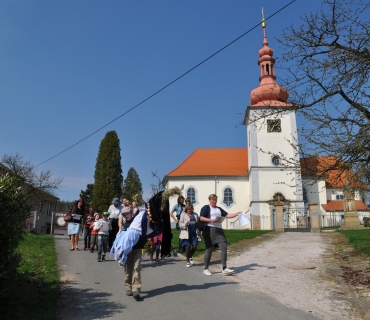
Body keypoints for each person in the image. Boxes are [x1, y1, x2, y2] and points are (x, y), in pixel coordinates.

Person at [200, 194, 241, 276]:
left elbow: (227, 215)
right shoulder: (206, 208)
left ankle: (224, 268)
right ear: (209, 200)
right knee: (209, 249)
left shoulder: (219, 209)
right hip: (209, 230)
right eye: (213, 200)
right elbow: (201, 218)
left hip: (219, 230)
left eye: (215, 200)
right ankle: (206, 268)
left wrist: (236, 214)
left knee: (224, 246)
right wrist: (211, 220)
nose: (214, 201)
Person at [120, 206, 145, 299]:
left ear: (131, 213)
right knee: (128, 269)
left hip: (138, 249)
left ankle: (136, 289)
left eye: (127, 213)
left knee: (136, 268)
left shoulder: (138, 222)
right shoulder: (125, 225)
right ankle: (128, 287)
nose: (126, 216)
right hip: (128, 250)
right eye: (124, 215)